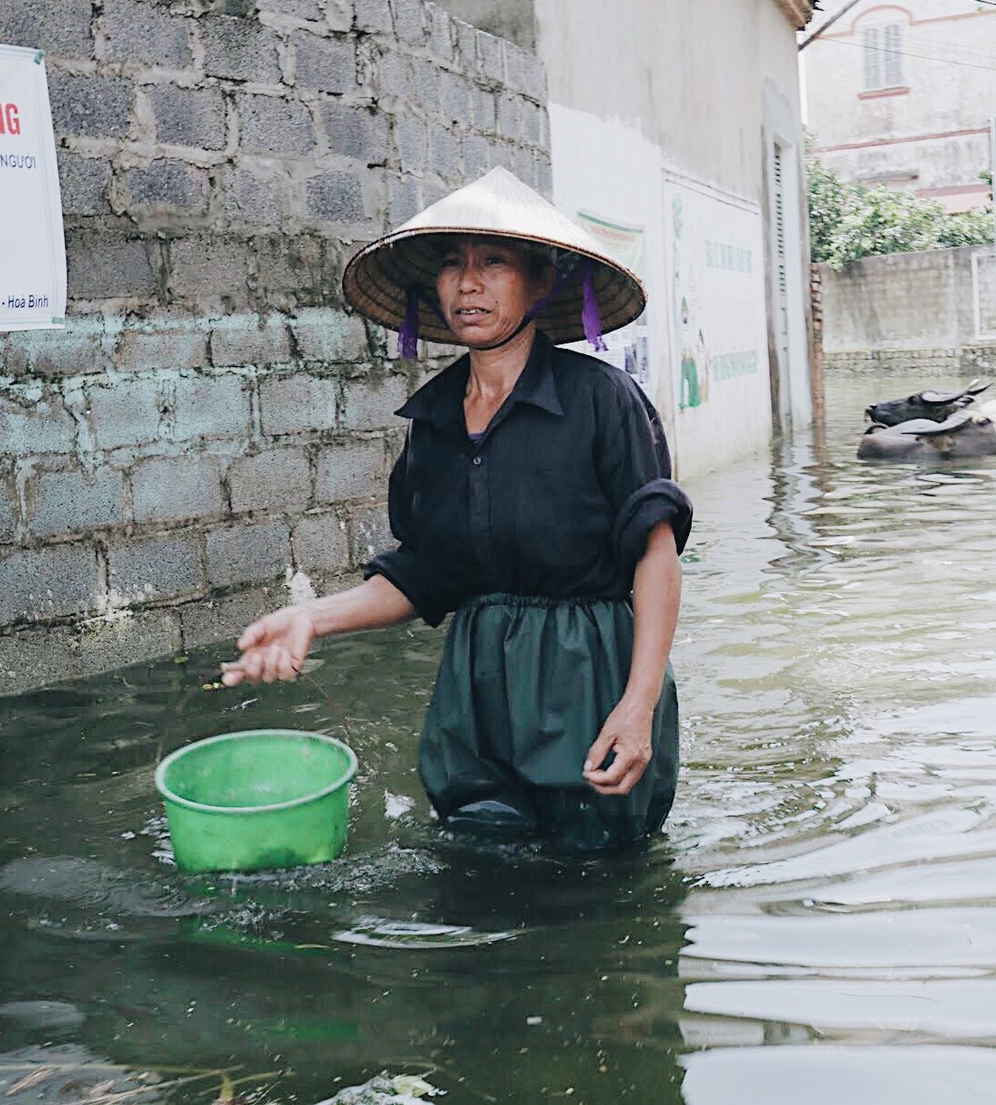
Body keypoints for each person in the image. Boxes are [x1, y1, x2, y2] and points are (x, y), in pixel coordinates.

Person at [221, 167, 691, 853]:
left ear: (540, 280)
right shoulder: (435, 420)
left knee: (598, 883)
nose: (467, 283)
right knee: (475, 871)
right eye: (451, 264)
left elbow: (656, 554)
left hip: (590, 679)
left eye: (492, 262)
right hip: (476, 695)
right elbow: (426, 575)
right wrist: (309, 620)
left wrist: (637, 703)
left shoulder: (601, 400)